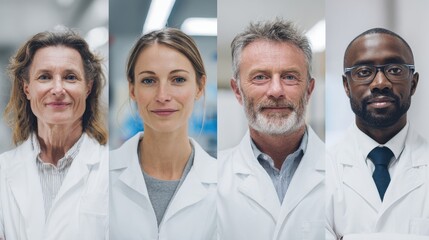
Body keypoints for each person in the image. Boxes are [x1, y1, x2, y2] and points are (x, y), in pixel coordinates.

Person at [217, 18, 325, 240]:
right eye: (260, 77)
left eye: (289, 77)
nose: (276, 90)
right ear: (237, 91)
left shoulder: (343, 173)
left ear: (309, 89)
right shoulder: (212, 179)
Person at [0, 29, 108, 239]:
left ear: (88, 87)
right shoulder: (3, 171)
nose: (58, 89)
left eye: (70, 77)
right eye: (45, 77)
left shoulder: (111, 171)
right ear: (27, 88)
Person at [109, 28, 217, 240]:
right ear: (132, 89)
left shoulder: (224, 185)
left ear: (199, 87)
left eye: (178, 80)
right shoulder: (99, 177)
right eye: (149, 81)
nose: (163, 95)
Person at [326, 28, 429, 239]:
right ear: (346, 85)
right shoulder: (320, 172)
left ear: (414, 83)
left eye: (395, 70)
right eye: (364, 72)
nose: (380, 83)